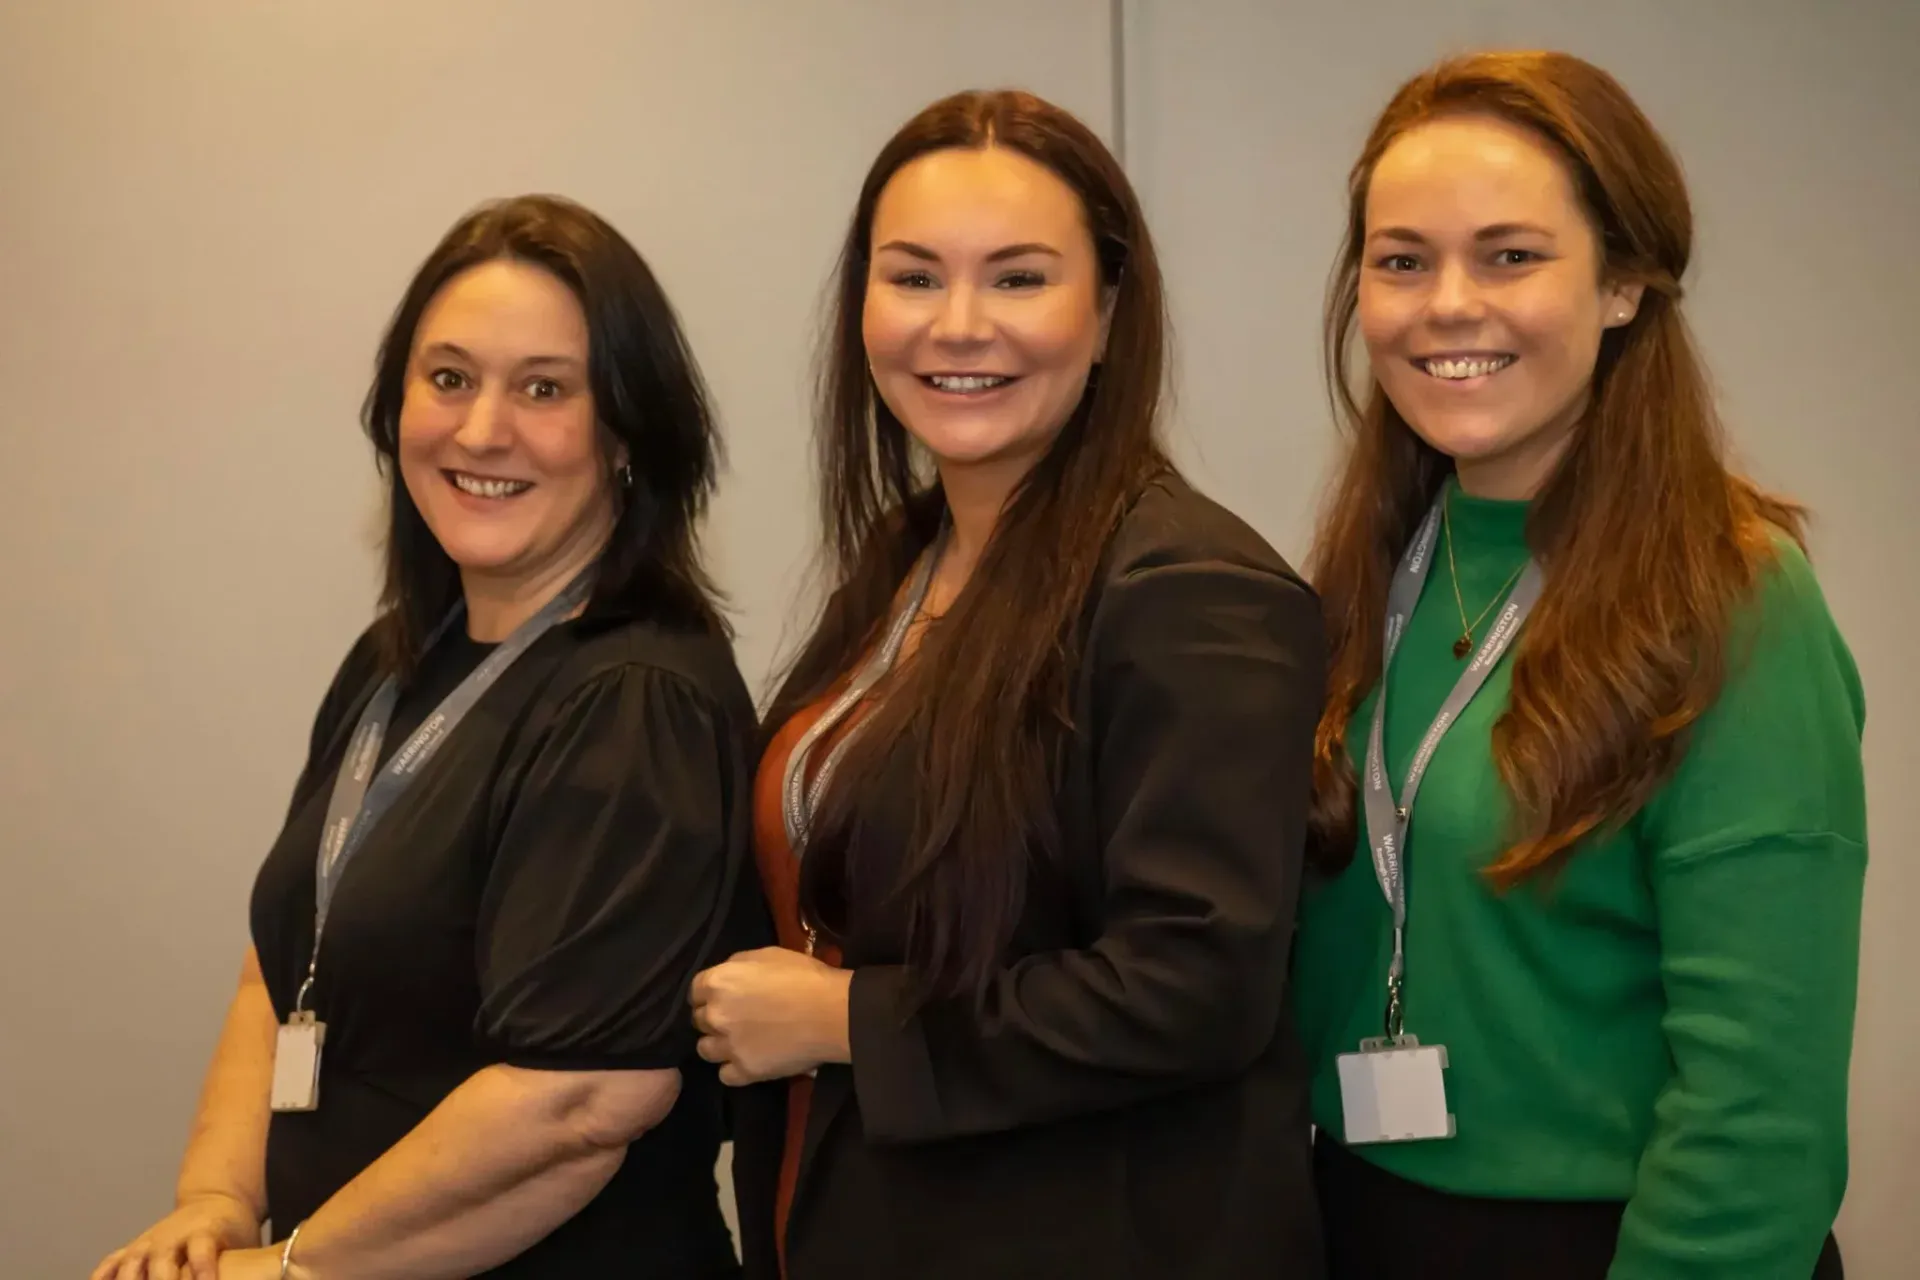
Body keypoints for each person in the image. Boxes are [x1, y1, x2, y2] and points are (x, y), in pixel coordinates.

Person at [685, 88, 1327, 1280]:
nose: (958, 324)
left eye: (1021, 278)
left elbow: (1194, 984)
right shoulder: (905, 558)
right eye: (914, 276)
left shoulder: (1191, 588)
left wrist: (843, 1021)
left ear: (1110, 309)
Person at [89, 195, 760, 1280]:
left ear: (627, 430)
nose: (482, 429)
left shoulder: (638, 699)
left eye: (544, 388)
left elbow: (579, 1099)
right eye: (449, 378)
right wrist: (214, 1205)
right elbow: (285, 967)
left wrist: (291, 1267)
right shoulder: (397, 659)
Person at [1291, 51, 1865, 1280]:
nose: (1448, 303)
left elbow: (1757, 1112)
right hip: (1357, 1215)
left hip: (1627, 1244)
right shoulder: (1371, 571)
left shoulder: (1734, 595)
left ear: (1623, 285)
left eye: (1510, 255)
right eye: (1401, 260)